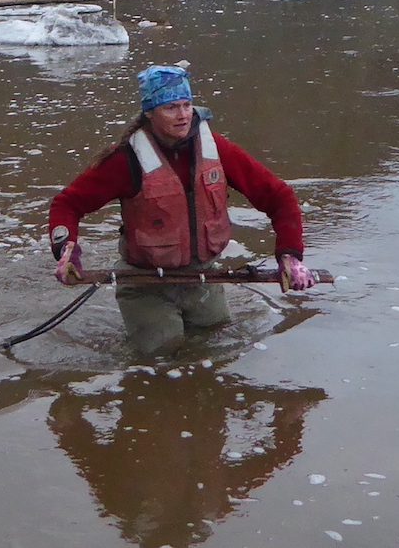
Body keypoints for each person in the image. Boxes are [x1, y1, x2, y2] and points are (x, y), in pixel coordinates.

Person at [47, 64, 313, 353]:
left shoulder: (217, 150)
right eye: (171, 107)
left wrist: (290, 255)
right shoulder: (125, 160)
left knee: (219, 347)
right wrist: (66, 250)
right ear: (149, 112)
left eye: (187, 105)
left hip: (202, 276)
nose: (183, 114)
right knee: (161, 354)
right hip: (144, 282)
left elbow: (279, 196)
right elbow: (68, 204)